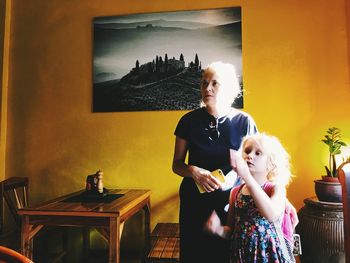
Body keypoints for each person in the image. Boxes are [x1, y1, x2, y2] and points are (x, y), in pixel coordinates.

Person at [172, 61, 258, 263]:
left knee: (228, 254)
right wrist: (193, 170)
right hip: (194, 201)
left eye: (214, 83)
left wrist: (236, 176)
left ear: (228, 88)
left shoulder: (244, 122)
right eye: (203, 83)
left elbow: (256, 166)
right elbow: (176, 164)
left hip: (232, 202)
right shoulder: (188, 121)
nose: (207, 88)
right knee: (194, 254)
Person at [204, 133, 296, 262]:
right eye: (247, 151)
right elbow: (231, 229)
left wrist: (247, 177)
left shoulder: (275, 188)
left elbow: (272, 215)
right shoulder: (235, 192)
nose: (250, 156)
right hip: (241, 253)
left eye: (258, 153)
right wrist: (219, 229)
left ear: (271, 164)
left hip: (267, 254)